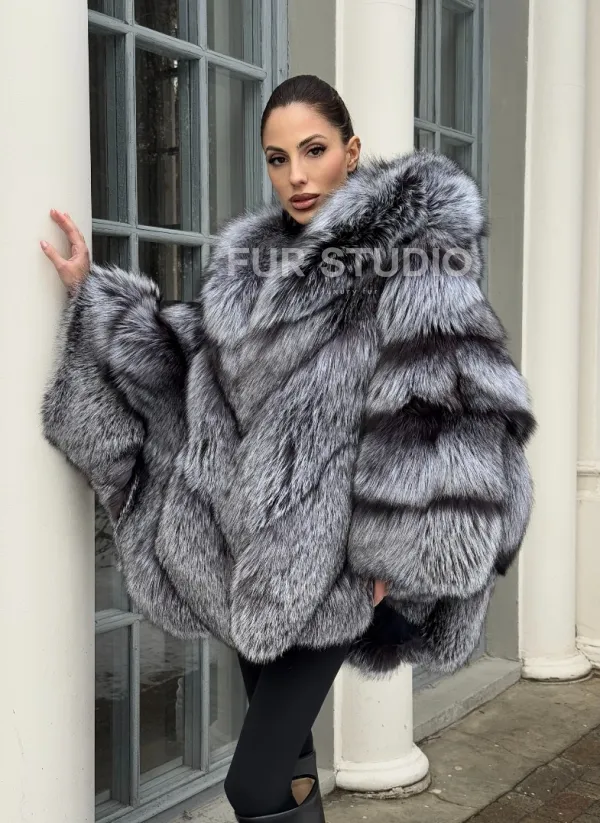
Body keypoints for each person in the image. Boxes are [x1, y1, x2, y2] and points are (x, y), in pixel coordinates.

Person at [40, 75, 536, 822]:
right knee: (291, 764)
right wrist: (95, 301)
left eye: (314, 150)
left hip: (338, 566)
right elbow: (193, 363)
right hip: (248, 551)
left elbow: (448, 407)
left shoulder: (415, 259)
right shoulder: (250, 267)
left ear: (351, 151)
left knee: (251, 783)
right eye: (278, 158)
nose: (297, 175)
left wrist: (396, 558)